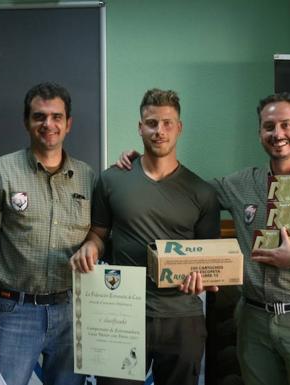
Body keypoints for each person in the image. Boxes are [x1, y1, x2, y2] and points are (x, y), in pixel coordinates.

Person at [117, 92, 290, 385]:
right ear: (260, 133)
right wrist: (143, 163)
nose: (277, 134)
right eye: (269, 126)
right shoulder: (241, 184)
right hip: (253, 321)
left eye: (285, 125)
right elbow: (186, 191)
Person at [70, 88, 221, 385]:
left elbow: (211, 260)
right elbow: (99, 234)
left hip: (181, 317)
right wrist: (90, 246)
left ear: (179, 127)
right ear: (140, 128)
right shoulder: (111, 179)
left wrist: (205, 279)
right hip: (121, 314)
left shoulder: (202, 191)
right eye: (151, 123)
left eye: (167, 123)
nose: (159, 131)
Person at [0, 82, 94, 385]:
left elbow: (98, 234)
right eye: (39, 116)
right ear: (27, 122)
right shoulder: (0, 173)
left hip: (71, 313)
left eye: (56, 117)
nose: (48, 124)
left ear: (68, 123)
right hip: (14, 314)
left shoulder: (88, 177)